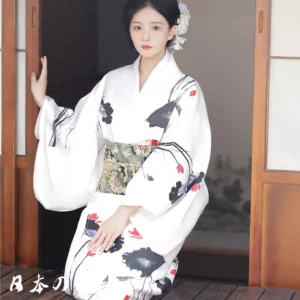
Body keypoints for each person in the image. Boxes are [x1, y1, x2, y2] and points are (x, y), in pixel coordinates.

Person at [31, 0, 211, 299]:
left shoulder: (185, 89)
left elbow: (179, 154)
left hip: (153, 205)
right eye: (137, 28)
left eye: (156, 28)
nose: (146, 37)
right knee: (82, 282)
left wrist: (125, 211)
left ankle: (157, 270)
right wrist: (44, 103)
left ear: (172, 31)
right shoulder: (112, 81)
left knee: (118, 286)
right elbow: (81, 129)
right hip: (109, 191)